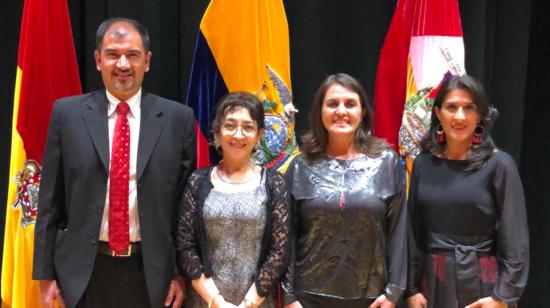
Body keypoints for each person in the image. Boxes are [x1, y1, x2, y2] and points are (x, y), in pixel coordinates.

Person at [32, 17, 196, 308]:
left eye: (132, 55)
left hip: (151, 274)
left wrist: (179, 273)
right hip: (82, 273)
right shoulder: (67, 115)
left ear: (147, 61)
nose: (123, 64)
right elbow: (49, 203)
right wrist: (45, 275)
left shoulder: (177, 119)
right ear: (98, 60)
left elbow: (183, 210)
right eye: (112, 54)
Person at [282, 73, 407, 308]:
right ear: (320, 112)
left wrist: (394, 293)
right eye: (332, 104)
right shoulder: (300, 166)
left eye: (350, 104)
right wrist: (288, 297)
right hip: (308, 298)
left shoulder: (386, 163)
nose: (341, 111)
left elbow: (398, 232)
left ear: (363, 112)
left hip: (372, 299)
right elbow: (287, 236)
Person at [405, 75, 529, 308]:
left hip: (484, 285)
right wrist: (411, 289)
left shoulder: (499, 164)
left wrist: (502, 296)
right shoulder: (423, 163)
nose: (460, 116)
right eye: (452, 107)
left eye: (469, 108)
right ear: (439, 114)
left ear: (480, 115)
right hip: (430, 285)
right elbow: (413, 230)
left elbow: (516, 240)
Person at [176, 92, 291, 308]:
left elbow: (279, 251)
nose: (238, 134)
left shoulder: (274, 184)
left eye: (248, 127)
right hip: (205, 302)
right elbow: (185, 247)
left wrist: (248, 304)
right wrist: (216, 301)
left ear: (260, 135)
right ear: (217, 132)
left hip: (257, 303)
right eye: (230, 125)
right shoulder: (197, 182)